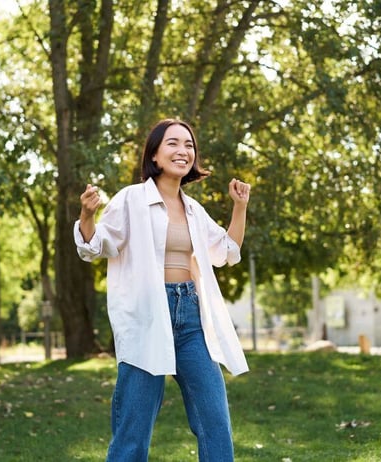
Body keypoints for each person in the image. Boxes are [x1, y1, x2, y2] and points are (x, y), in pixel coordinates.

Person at [74, 118, 251, 461]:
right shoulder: (131, 200)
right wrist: (86, 215)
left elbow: (227, 251)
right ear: (154, 155)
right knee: (134, 430)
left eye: (188, 145)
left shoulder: (194, 210)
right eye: (172, 143)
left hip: (190, 319)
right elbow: (95, 246)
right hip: (146, 320)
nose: (182, 150)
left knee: (214, 417)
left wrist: (239, 207)